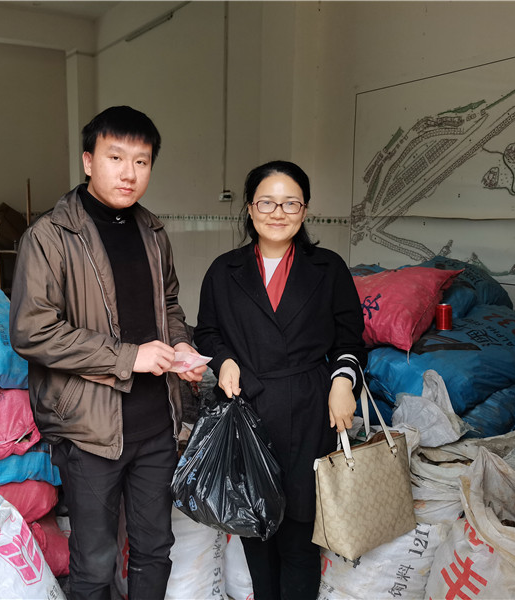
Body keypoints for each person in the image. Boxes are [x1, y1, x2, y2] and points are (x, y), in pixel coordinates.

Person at [9, 105, 206, 599]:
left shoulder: (153, 232)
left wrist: (180, 342)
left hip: (156, 423)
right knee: (95, 563)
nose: (129, 173)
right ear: (88, 161)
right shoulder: (50, 237)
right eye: (115, 157)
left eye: (141, 161)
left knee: (154, 549)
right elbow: (32, 331)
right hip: (89, 429)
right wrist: (128, 357)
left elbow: (169, 304)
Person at [193, 160, 366, 599]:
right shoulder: (224, 270)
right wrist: (224, 361)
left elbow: (350, 337)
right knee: (255, 529)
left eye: (291, 203)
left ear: (304, 210)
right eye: (267, 202)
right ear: (250, 208)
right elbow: (207, 331)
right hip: (246, 411)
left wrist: (342, 382)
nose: (278, 212)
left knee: (300, 538)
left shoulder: (327, 268)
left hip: (309, 410)